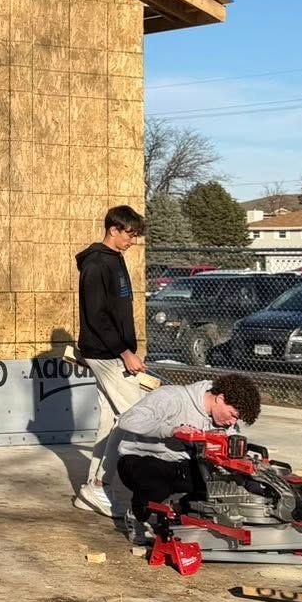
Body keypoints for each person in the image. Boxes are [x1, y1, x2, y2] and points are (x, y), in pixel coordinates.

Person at [114, 371, 262, 535]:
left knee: (222, 485)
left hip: (181, 464)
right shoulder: (172, 397)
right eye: (233, 415)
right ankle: (137, 516)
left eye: (237, 419)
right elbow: (127, 420)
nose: (232, 422)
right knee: (156, 483)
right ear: (220, 399)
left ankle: (178, 512)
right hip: (140, 459)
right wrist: (171, 430)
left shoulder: (226, 425)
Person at [74, 204, 146, 517]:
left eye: (135, 236)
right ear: (113, 229)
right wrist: (124, 351)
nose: (133, 241)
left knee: (112, 419)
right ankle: (100, 486)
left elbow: (117, 313)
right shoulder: (96, 264)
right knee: (137, 414)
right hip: (105, 353)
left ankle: (92, 488)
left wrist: (129, 347)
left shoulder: (115, 260)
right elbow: (97, 316)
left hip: (113, 351)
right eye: (129, 234)